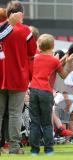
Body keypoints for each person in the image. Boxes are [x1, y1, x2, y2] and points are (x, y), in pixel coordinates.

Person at [29, 34, 73, 155]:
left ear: (38, 46)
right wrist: (70, 62)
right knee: (46, 122)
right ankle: (48, 149)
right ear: (53, 46)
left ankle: (34, 149)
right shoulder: (54, 60)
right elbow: (64, 75)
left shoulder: (34, 58)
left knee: (34, 122)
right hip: (46, 91)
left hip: (33, 90)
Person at [0, 1, 36, 154]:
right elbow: (32, 52)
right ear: (21, 14)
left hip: (1, 76)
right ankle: (14, 147)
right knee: (15, 113)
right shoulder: (26, 30)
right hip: (18, 78)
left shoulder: (1, 28)